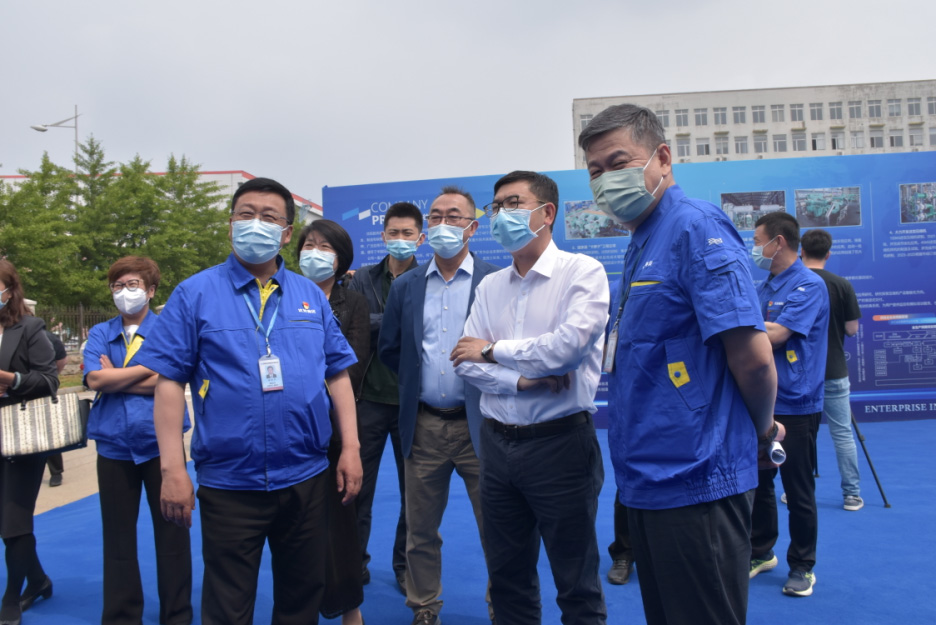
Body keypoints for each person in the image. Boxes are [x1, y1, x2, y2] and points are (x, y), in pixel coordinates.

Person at [579, 104, 779, 625]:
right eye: (595, 170)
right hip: (648, 477)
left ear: (663, 158)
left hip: (697, 477)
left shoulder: (694, 226)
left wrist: (762, 429)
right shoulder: (642, 239)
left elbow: (753, 358)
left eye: (618, 163)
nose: (605, 180)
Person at [135, 177, 362, 625]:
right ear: (230, 225)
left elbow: (337, 374)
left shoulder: (308, 296)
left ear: (286, 233)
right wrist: (172, 469)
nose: (256, 223)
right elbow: (168, 383)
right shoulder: (194, 294)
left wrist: (351, 448)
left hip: (305, 475)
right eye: (246, 214)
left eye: (269, 217)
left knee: (301, 598)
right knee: (228, 604)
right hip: (230, 481)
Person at [451, 170, 609, 624]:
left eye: (513, 203)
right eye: (496, 206)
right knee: (507, 577)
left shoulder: (582, 272)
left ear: (547, 212)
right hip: (497, 446)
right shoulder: (490, 286)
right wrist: (521, 381)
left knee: (576, 582)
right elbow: (463, 362)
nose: (501, 214)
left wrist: (493, 350)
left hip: (560, 445)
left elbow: (566, 349)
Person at [378, 186, 499, 625]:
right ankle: (424, 605)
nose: (443, 223)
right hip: (425, 426)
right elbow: (391, 349)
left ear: (473, 227)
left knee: (497, 526)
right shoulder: (406, 286)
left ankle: (502, 605)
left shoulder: (495, 281)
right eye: (435, 216)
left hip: (481, 425)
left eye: (453, 216)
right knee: (420, 530)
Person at [83, 256, 193, 625]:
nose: (124, 292)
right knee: (117, 537)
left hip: (160, 446)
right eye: (118, 285)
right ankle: (121, 615)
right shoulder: (100, 332)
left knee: (172, 533)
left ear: (151, 291)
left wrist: (117, 376)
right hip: (113, 446)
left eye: (133, 285)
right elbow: (94, 379)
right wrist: (148, 372)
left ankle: (177, 614)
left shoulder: (168, 330)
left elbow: (173, 378)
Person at [749, 212, 829, 597]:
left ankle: (802, 566)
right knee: (760, 482)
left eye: (757, 241)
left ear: (777, 242)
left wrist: (734, 324)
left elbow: (778, 334)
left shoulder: (809, 285)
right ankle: (760, 551)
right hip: (761, 401)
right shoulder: (764, 286)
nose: (754, 249)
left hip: (797, 404)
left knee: (798, 490)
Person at [348, 202, 424, 590]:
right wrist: (399, 322)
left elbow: (428, 329)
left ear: (420, 238)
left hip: (415, 404)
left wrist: (378, 323)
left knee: (415, 495)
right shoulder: (363, 277)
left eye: (407, 233)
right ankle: (353, 562)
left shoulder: (429, 277)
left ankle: (404, 565)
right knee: (356, 489)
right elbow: (355, 325)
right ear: (382, 236)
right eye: (393, 233)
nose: (399, 239)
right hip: (368, 400)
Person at [296, 220, 369, 625]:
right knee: (296, 529)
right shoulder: (283, 296)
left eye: (325, 247)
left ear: (341, 259)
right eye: (309, 245)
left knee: (339, 526)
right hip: (291, 427)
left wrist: (306, 381)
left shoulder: (353, 303)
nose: (315, 253)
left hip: (335, 427)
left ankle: (349, 609)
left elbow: (351, 368)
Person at [0, 260, 59, 625]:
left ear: (9, 291)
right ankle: (38, 580)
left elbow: (49, 380)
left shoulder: (29, 327)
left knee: (14, 520)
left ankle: (11, 595)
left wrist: (10, 380)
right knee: (4, 521)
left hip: (21, 437)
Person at [800, 229, 863, 511]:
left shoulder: (790, 283)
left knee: (802, 435)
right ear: (828, 254)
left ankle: (798, 491)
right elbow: (851, 329)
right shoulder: (841, 285)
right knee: (842, 434)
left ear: (801, 251)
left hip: (800, 375)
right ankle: (852, 494)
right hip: (834, 371)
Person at [43, 330, 67, 488]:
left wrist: (51, 377)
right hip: (11, 391)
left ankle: (56, 472)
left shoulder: (45, 336)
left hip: (41, 388)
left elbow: (61, 358)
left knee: (47, 430)